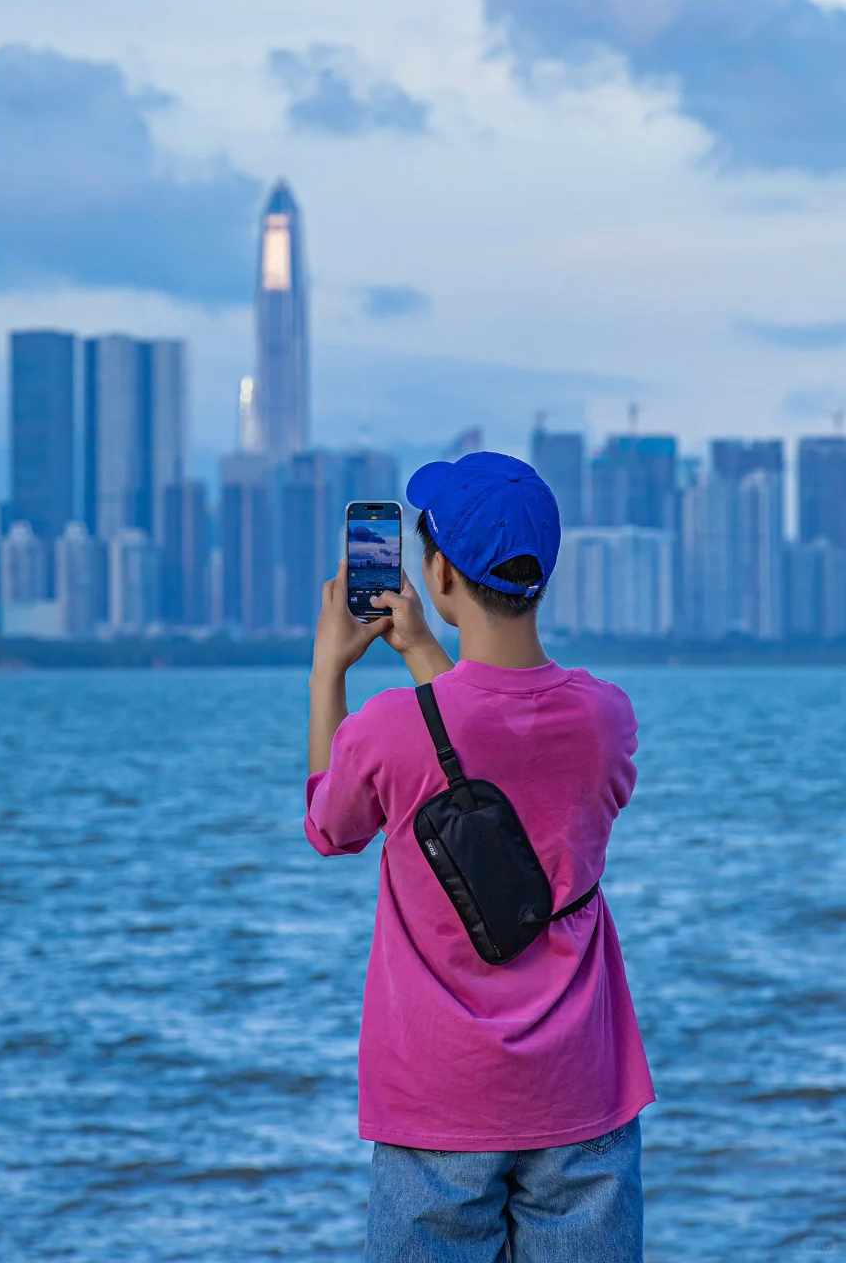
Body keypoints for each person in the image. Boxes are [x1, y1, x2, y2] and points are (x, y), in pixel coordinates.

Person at [305, 451, 654, 1263]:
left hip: (438, 1102)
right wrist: (429, 655)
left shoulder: (390, 728)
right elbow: (502, 752)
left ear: (440, 575)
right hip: (582, 1093)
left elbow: (332, 826)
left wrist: (329, 670)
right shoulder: (606, 718)